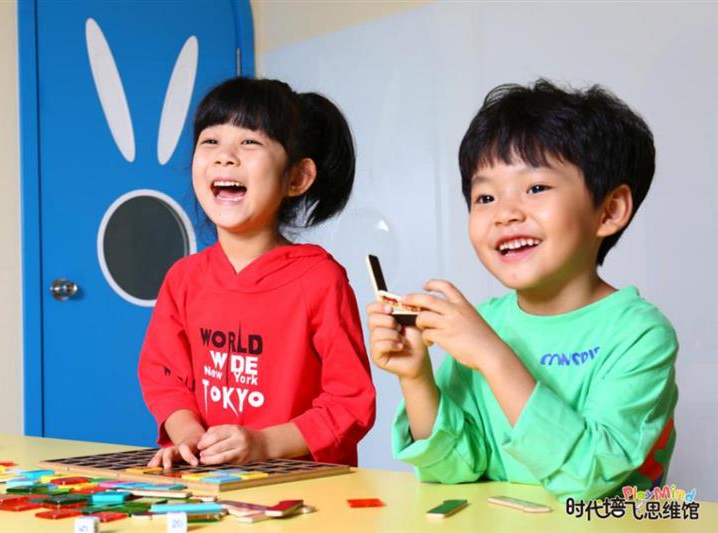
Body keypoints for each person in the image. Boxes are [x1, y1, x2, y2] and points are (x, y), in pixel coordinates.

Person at [366, 80, 677, 501]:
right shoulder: (485, 323)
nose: (505, 214)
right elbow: (453, 470)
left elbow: (589, 479)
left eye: (535, 188)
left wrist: (492, 356)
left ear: (610, 211)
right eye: (485, 197)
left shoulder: (639, 333)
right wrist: (416, 377)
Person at [139, 77, 375, 469]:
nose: (224, 156)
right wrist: (189, 438)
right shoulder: (182, 278)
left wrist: (265, 443)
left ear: (297, 178)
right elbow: (164, 377)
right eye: (210, 140)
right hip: (209, 485)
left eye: (249, 142)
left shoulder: (319, 279)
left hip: (305, 489)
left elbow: (350, 402)